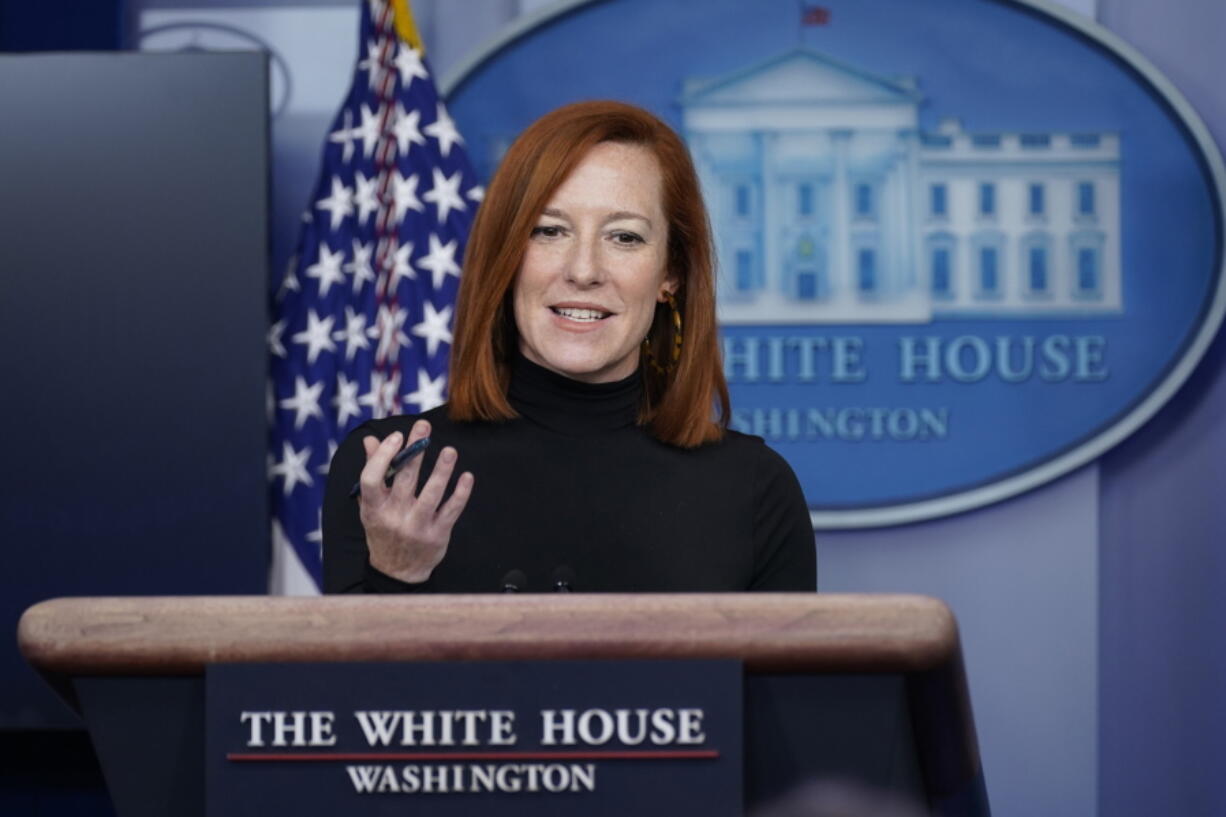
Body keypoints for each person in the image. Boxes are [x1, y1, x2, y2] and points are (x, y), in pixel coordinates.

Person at [323, 100, 816, 593]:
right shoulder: (390, 474)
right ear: (506, 257)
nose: (583, 270)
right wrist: (396, 576)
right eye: (549, 231)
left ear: (671, 274)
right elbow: (350, 673)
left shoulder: (755, 490)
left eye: (624, 237)